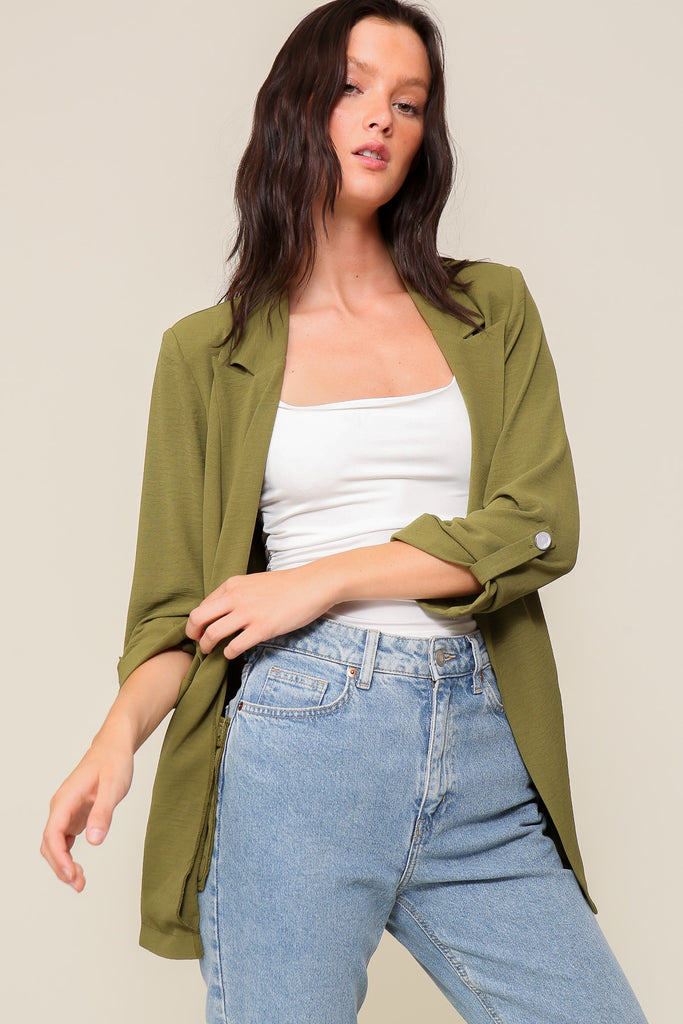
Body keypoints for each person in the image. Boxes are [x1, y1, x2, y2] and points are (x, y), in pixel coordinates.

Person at [41, 2, 649, 1021]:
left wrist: (321, 578)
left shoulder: (489, 309)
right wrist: (113, 741)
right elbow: (179, 615)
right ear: (296, 109)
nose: (381, 118)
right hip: (301, 745)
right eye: (353, 88)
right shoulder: (205, 355)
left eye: (408, 103)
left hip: (479, 740)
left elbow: (538, 524)